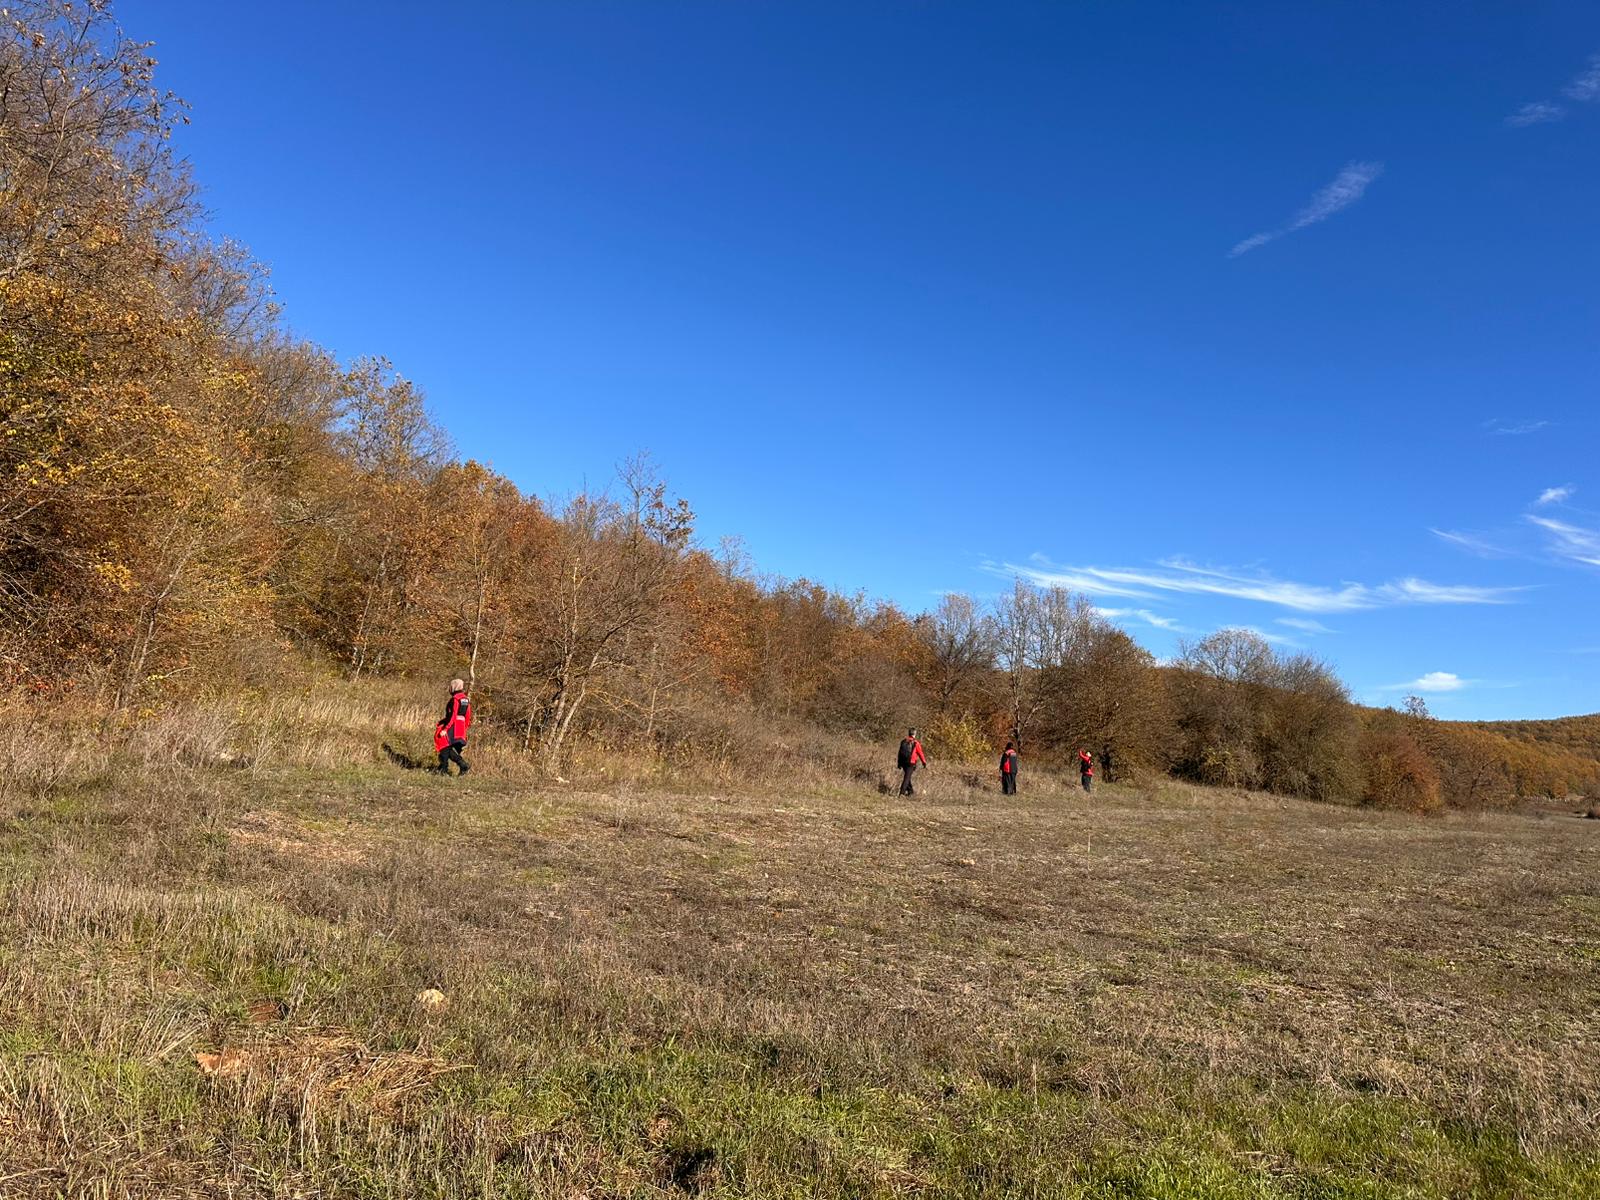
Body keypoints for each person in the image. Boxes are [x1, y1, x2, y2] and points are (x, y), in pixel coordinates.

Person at [434, 678, 472, 776]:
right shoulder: (466, 699)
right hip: (461, 727)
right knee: (447, 747)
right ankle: (443, 768)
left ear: (454, 687)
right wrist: (464, 729)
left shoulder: (455, 699)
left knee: (443, 743)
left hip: (453, 726)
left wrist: (445, 729)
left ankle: (451, 767)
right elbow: (467, 716)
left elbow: (453, 715)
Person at [896, 727, 928, 796]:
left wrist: (899, 763)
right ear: (914, 734)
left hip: (903, 762)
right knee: (907, 778)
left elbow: (899, 753)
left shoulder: (903, 741)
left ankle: (911, 792)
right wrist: (924, 762)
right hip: (911, 762)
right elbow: (920, 753)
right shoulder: (916, 743)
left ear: (909, 733)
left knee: (908, 776)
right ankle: (902, 793)